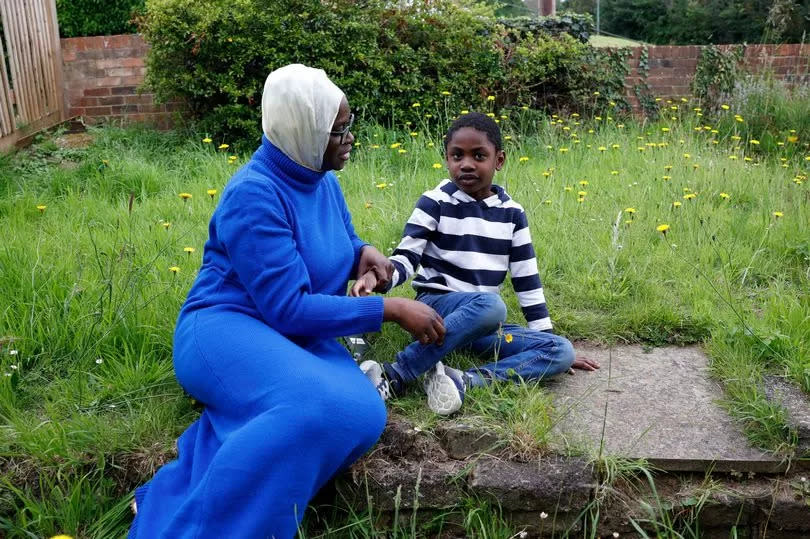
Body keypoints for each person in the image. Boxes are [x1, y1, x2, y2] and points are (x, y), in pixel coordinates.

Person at [128, 64, 445, 538]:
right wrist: (390, 309)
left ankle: (178, 484)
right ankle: (197, 523)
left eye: (348, 125)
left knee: (362, 412)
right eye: (340, 130)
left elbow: (340, 240)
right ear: (306, 131)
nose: (350, 138)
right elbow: (288, 307)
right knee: (317, 412)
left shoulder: (321, 179)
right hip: (225, 329)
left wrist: (364, 253)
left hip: (292, 334)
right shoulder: (253, 196)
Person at [352, 112, 599, 415]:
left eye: (478, 155)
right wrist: (381, 277)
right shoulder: (435, 202)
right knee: (492, 305)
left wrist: (543, 335)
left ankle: (464, 381)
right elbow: (408, 256)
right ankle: (398, 372)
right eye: (457, 156)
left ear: (499, 160)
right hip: (437, 310)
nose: (466, 164)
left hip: (483, 326)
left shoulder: (512, 214)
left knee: (560, 349)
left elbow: (527, 280)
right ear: (447, 159)